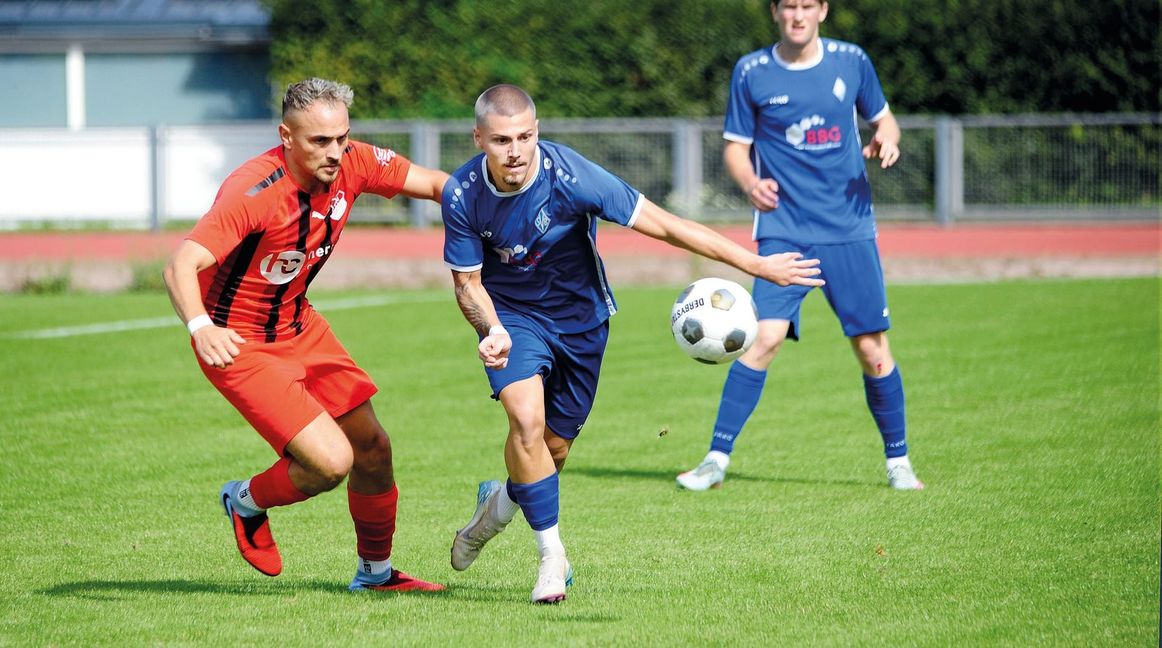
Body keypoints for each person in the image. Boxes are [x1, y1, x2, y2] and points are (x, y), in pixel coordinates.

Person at [442, 84, 824, 604]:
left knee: (551, 451)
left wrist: (756, 265)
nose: (516, 151)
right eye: (502, 140)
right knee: (525, 422)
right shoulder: (462, 193)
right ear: (479, 138)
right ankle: (552, 558)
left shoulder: (572, 175)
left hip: (581, 323)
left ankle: (497, 509)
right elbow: (467, 284)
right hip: (513, 319)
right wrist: (493, 328)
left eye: (526, 136)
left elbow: (666, 226)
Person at [163, 78, 448, 592]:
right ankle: (245, 501)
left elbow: (433, 185)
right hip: (239, 343)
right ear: (286, 136)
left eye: (342, 137)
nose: (336, 152)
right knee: (331, 462)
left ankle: (376, 575)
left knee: (374, 449)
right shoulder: (252, 191)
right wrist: (201, 327)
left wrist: (499, 208)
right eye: (320, 141)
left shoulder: (354, 161)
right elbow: (181, 264)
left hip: (301, 323)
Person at [675, 0, 924, 492]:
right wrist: (749, 183)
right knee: (761, 338)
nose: (798, 14)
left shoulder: (852, 62)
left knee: (871, 347)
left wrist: (887, 140)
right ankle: (715, 460)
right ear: (775, 12)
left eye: (807, 5)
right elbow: (735, 147)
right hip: (783, 229)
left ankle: (898, 462)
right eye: (789, 5)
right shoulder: (751, 71)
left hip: (848, 228)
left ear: (823, 11)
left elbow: (885, 120)